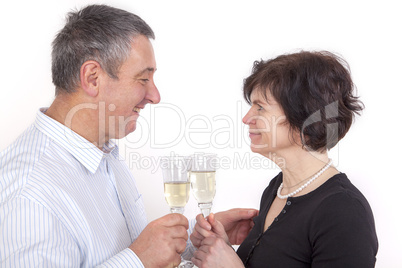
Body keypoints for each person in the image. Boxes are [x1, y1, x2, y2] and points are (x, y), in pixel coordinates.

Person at [0, 5, 257, 267]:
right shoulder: (29, 193)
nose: (155, 96)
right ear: (92, 78)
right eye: (143, 79)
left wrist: (191, 240)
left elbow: (122, 248)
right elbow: (137, 256)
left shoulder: (102, 152)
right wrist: (138, 260)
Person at [190, 51, 378, 267]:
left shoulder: (344, 211)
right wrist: (222, 248)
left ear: (304, 118)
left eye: (260, 107)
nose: (246, 118)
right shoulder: (277, 188)